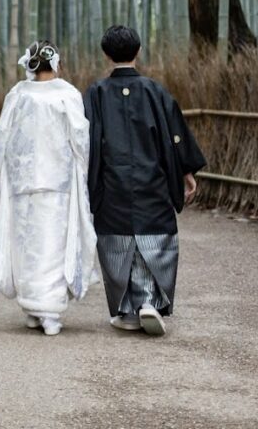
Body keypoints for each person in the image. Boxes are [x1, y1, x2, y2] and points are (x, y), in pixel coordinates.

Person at [84, 25, 207, 337]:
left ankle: (130, 309)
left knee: (118, 243)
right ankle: (149, 301)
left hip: (111, 183)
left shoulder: (96, 94)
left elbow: (84, 140)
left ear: (106, 55)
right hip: (152, 181)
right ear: (138, 51)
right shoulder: (155, 91)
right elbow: (175, 136)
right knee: (153, 239)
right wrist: (186, 171)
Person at [0, 41, 97, 336]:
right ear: (56, 63)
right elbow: (80, 136)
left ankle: (32, 307)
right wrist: (86, 169)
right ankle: (47, 311)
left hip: (23, 180)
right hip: (57, 180)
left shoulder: (18, 94)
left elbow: (2, 132)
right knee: (52, 246)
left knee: (26, 245)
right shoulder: (67, 94)